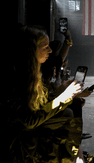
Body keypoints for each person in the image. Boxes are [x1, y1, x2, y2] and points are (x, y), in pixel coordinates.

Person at [3, 25, 84, 162]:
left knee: (72, 106)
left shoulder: (32, 74)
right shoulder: (18, 79)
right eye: (45, 47)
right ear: (30, 50)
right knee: (68, 113)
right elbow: (29, 120)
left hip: (28, 134)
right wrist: (65, 97)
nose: (51, 51)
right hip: (19, 144)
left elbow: (43, 100)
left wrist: (64, 91)